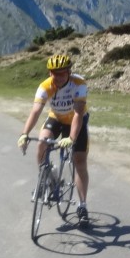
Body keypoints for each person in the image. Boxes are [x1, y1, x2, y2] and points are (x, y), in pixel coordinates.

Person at [18, 54, 90, 226]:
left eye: (62, 73)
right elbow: (35, 111)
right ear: (50, 73)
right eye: (54, 73)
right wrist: (24, 134)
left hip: (75, 120)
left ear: (69, 72)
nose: (58, 77)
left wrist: (71, 138)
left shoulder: (79, 84)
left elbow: (79, 113)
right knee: (42, 143)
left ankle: (82, 206)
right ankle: (47, 179)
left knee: (79, 161)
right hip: (56, 118)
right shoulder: (45, 86)